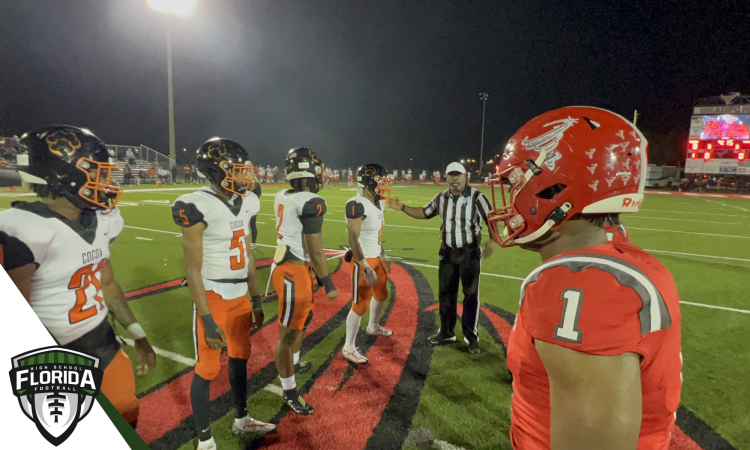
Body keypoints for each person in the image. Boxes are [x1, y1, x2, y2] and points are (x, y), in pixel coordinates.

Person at [489, 107, 681, 450]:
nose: (509, 195)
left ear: (555, 187)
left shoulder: (578, 283)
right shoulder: (615, 253)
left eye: (516, 180)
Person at [0, 125, 156, 427]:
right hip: (56, 354)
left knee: (125, 413)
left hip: (102, 340)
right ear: (62, 174)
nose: (104, 181)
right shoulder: (24, 230)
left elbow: (107, 283)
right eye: (95, 172)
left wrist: (138, 333)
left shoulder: (100, 220)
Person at [171, 138, 275, 450]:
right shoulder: (195, 205)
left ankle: (242, 419)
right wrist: (207, 317)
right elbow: (193, 272)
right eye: (237, 170)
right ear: (215, 170)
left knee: (241, 357)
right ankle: (205, 441)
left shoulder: (248, 201)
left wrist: (256, 298)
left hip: (240, 294)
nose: (245, 177)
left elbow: (247, 252)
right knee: (207, 368)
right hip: (213, 295)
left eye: (245, 171)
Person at [388, 162, 495, 353]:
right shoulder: (441, 197)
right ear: (446, 178)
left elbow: (492, 219)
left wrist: (492, 241)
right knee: (446, 294)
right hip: (447, 252)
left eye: (458, 175)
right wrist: (403, 207)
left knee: (470, 296)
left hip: (469, 253)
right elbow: (425, 213)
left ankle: (471, 337)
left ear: (465, 177)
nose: (454, 178)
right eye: (451, 175)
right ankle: (447, 332)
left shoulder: (477, 197)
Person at [272, 148, 338, 414]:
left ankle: (294, 363)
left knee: (302, 322)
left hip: (292, 267)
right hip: (292, 272)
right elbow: (316, 250)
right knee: (287, 336)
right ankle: (289, 391)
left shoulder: (283, 194)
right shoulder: (310, 201)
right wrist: (328, 282)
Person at [342, 164, 393, 364]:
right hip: (362, 260)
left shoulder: (379, 203)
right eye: (381, 180)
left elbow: (377, 234)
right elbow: (353, 238)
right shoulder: (356, 203)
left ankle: (373, 326)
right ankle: (349, 347)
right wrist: (363, 264)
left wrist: (383, 256)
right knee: (360, 303)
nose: (383, 185)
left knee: (381, 293)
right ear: (368, 181)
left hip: (376, 258)